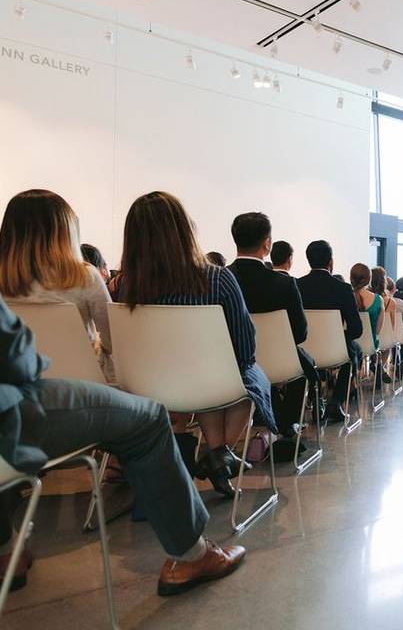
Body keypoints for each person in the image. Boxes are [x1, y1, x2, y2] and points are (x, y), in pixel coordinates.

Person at [0, 295, 245, 596]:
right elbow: (15, 355)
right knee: (150, 418)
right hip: (11, 414)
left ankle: (6, 550)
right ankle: (191, 555)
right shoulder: (85, 278)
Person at [115, 191, 274, 498]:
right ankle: (219, 454)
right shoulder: (218, 279)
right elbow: (244, 351)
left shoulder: (125, 285)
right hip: (204, 384)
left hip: (148, 386)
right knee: (244, 382)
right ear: (185, 229)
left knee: (205, 383)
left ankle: (217, 454)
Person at [0, 190, 116, 384]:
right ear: (66, 231)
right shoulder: (85, 276)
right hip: (81, 387)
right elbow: (114, 341)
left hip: (15, 385)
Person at [226, 213, 316, 442]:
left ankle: (265, 426)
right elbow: (300, 332)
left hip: (229, 364)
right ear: (267, 244)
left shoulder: (222, 279)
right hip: (279, 362)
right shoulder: (284, 283)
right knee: (302, 369)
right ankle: (284, 427)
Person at [297, 240, 362, 422]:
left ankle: (315, 398)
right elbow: (356, 329)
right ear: (330, 262)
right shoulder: (342, 288)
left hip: (303, 350)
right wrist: (338, 338)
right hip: (334, 351)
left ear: (308, 260)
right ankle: (337, 402)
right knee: (351, 354)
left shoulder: (297, 286)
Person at [350, 263, 383, 351]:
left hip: (349, 347)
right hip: (371, 345)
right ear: (369, 280)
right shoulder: (378, 299)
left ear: (351, 278)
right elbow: (377, 331)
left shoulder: (345, 297)